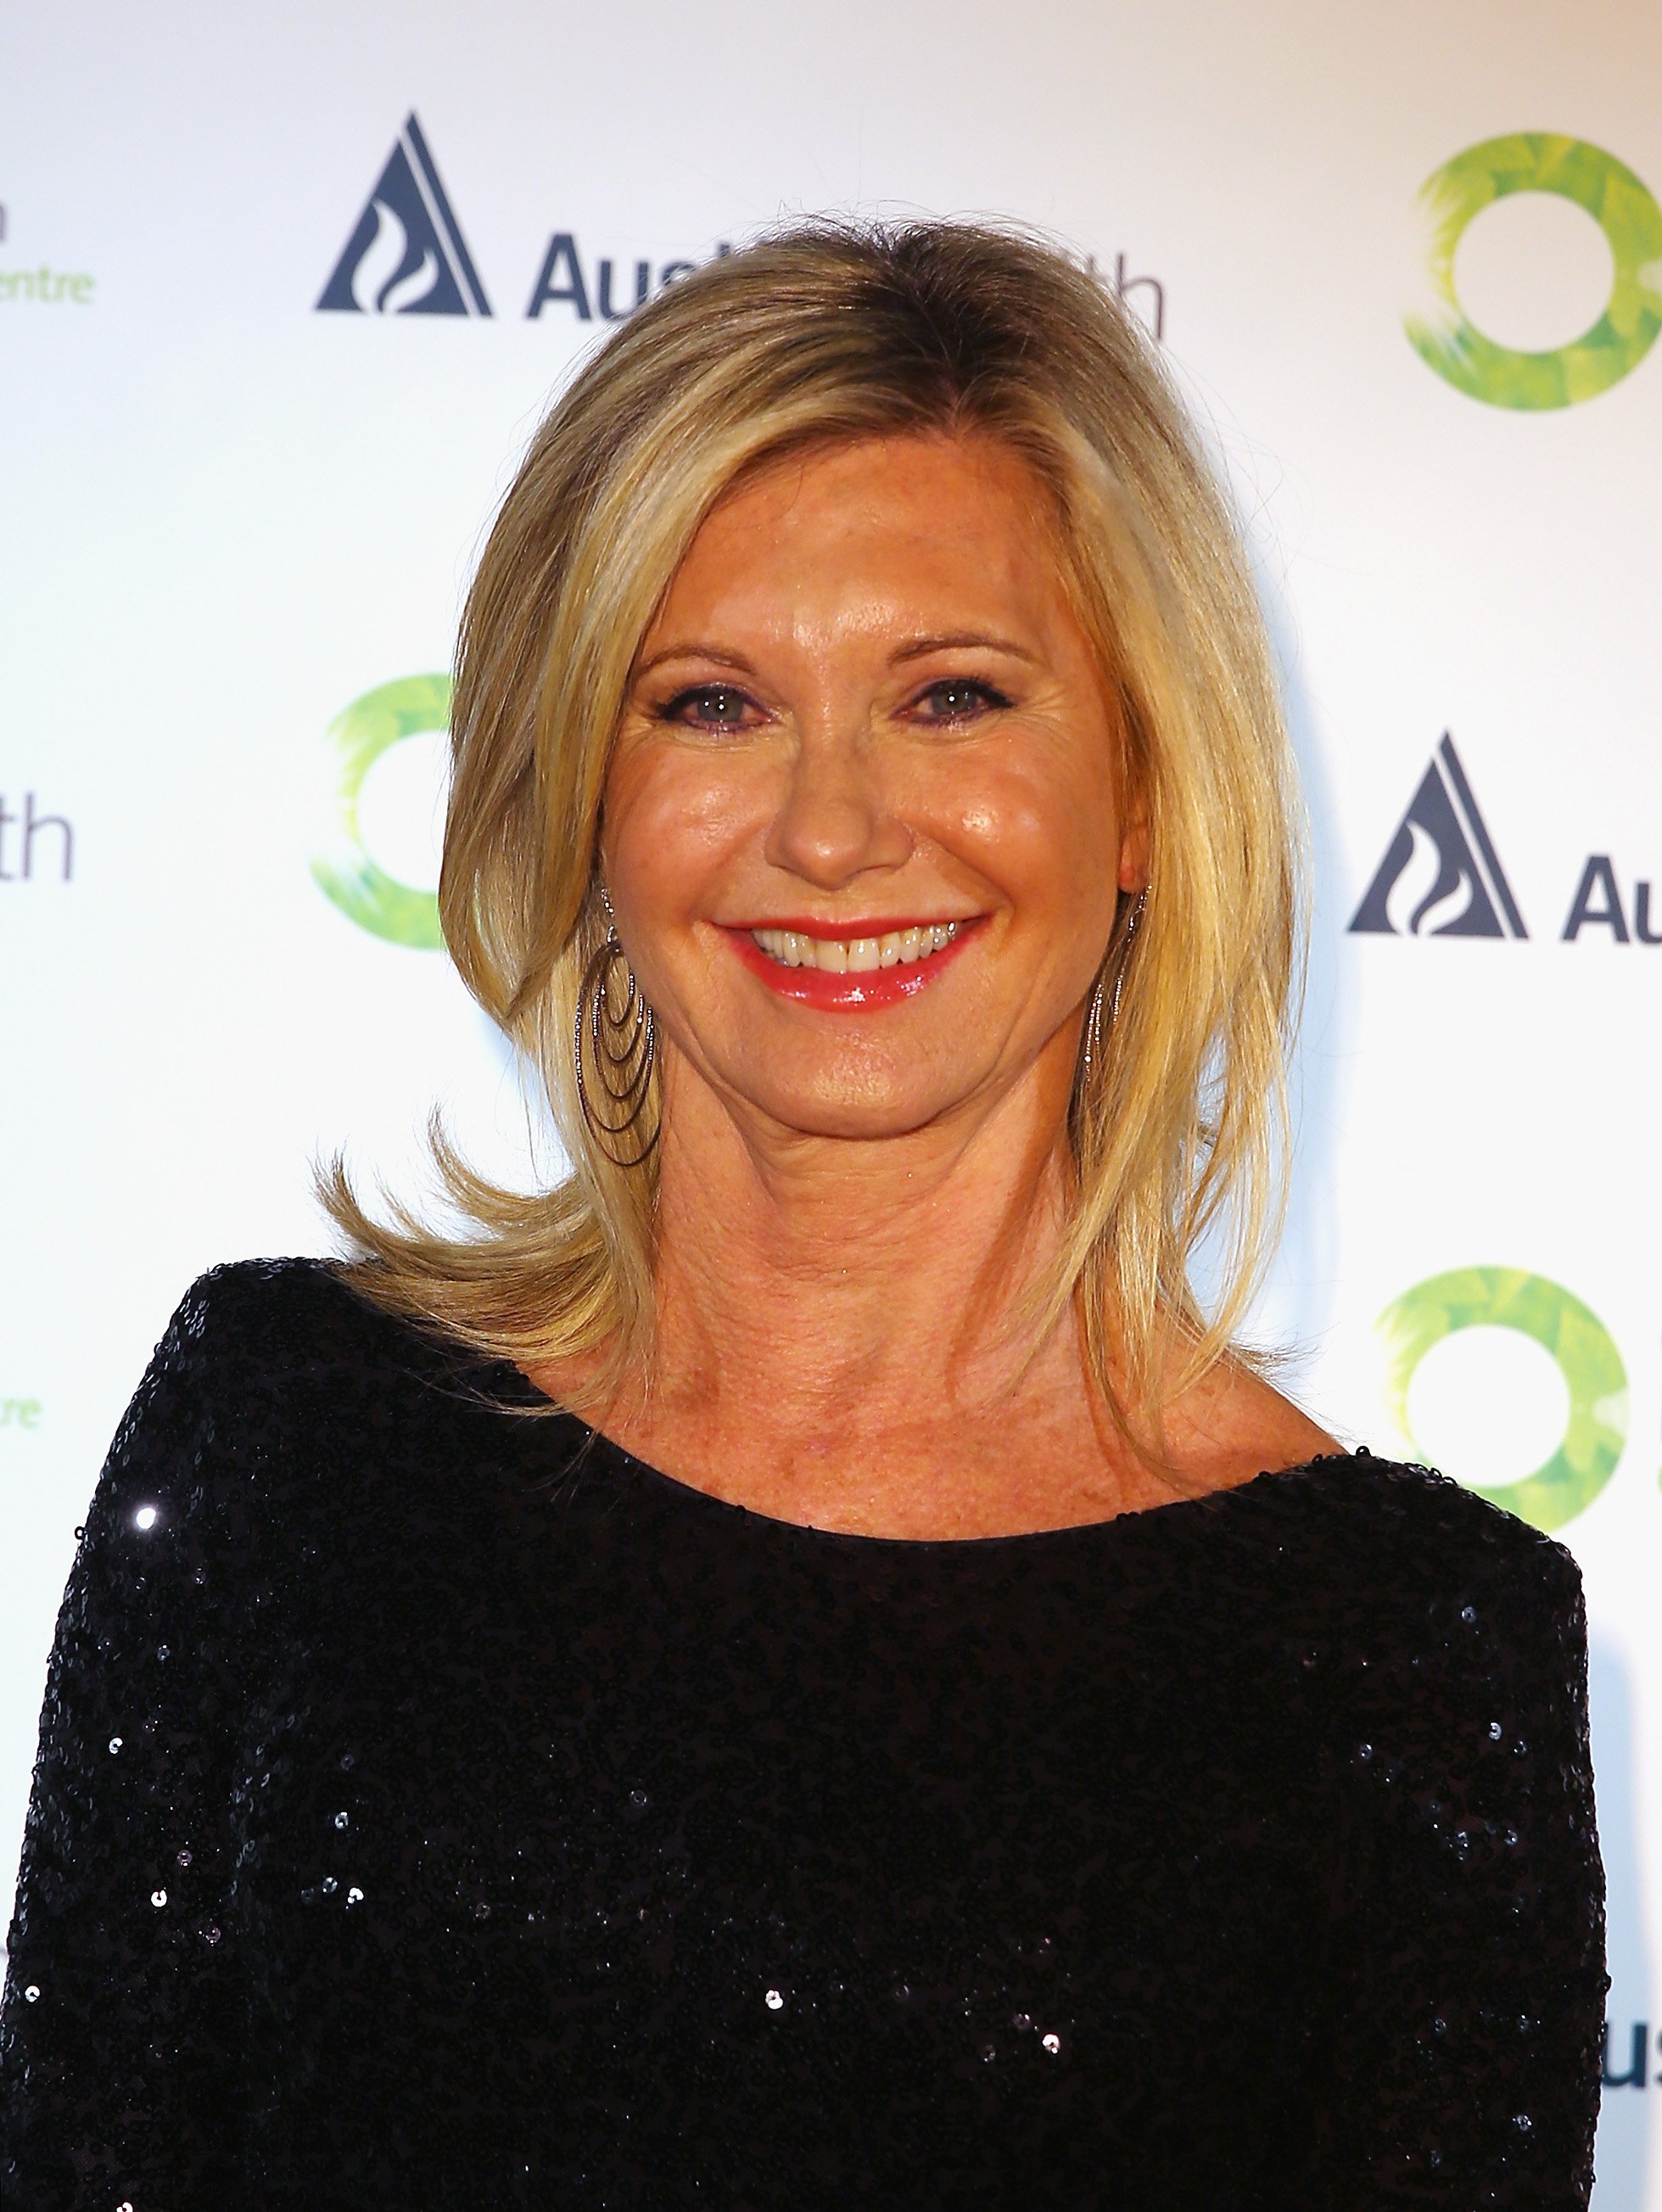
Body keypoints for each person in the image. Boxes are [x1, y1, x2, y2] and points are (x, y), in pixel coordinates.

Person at [2, 221, 1603, 2209]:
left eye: (949, 695)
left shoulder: (1403, 1647)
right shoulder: (285, 1425)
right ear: (576, 790)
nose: (832, 829)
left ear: (1139, 795)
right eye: (708, 703)